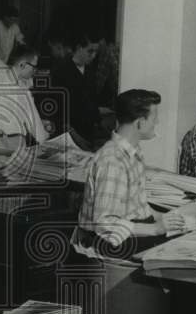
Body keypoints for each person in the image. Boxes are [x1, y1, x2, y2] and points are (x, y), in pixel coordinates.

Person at [74, 89, 183, 253]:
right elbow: (104, 223)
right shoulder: (112, 160)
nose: (157, 122)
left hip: (131, 231)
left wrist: (163, 217)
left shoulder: (132, 151)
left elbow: (137, 206)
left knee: (186, 235)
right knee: (178, 251)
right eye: (154, 118)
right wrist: (155, 229)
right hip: (112, 242)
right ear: (140, 122)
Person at [0, 44, 50, 150]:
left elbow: (33, 120)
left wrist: (45, 142)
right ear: (22, 65)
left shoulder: (24, 88)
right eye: (34, 67)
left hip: (20, 144)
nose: (35, 71)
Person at [46, 31, 102, 149]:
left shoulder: (90, 71)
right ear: (78, 48)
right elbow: (56, 109)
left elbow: (92, 100)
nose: (94, 56)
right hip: (68, 135)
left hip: (88, 132)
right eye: (90, 51)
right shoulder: (60, 71)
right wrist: (73, 134)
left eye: (96, 52)